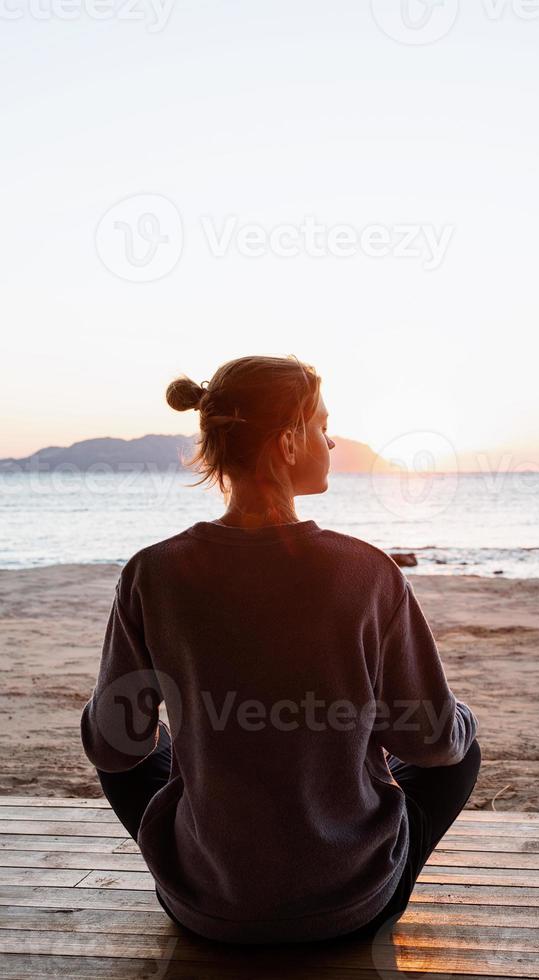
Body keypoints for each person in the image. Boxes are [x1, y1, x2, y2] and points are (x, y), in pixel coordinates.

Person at [80, 353, 481, 946]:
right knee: (463, 747)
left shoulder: (152, 573)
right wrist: (458, 721)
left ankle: (209, 867)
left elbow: (115, 748)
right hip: (349, 910)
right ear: (289, 442)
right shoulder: (368, 572)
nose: (332, 441)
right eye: (322, 426)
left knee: (134, 740)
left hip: (207, 911)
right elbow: (432, 742)